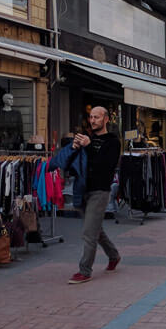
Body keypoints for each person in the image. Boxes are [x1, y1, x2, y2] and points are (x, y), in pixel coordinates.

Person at [48, 106, 122, 284]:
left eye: (97, 117)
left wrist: (88, 147)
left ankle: (85, 270)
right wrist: (73, 148)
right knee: (95, 229)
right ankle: (113, 255)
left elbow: (105, 166)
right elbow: (70, 164)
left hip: (100, 190)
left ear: (105, 119)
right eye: (91, 117)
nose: (93, 120)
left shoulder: (112, 142)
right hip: (81, 190)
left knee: (89, 232)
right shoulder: (87, 139)